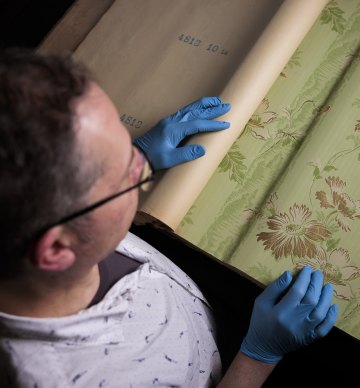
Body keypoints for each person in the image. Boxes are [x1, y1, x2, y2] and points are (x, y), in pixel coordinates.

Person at [0, 47, 338, 387]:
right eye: (126, 176)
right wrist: (257, 357)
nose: (140, 167)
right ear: (57, 249)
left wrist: (136, 155)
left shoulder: (39, 230)